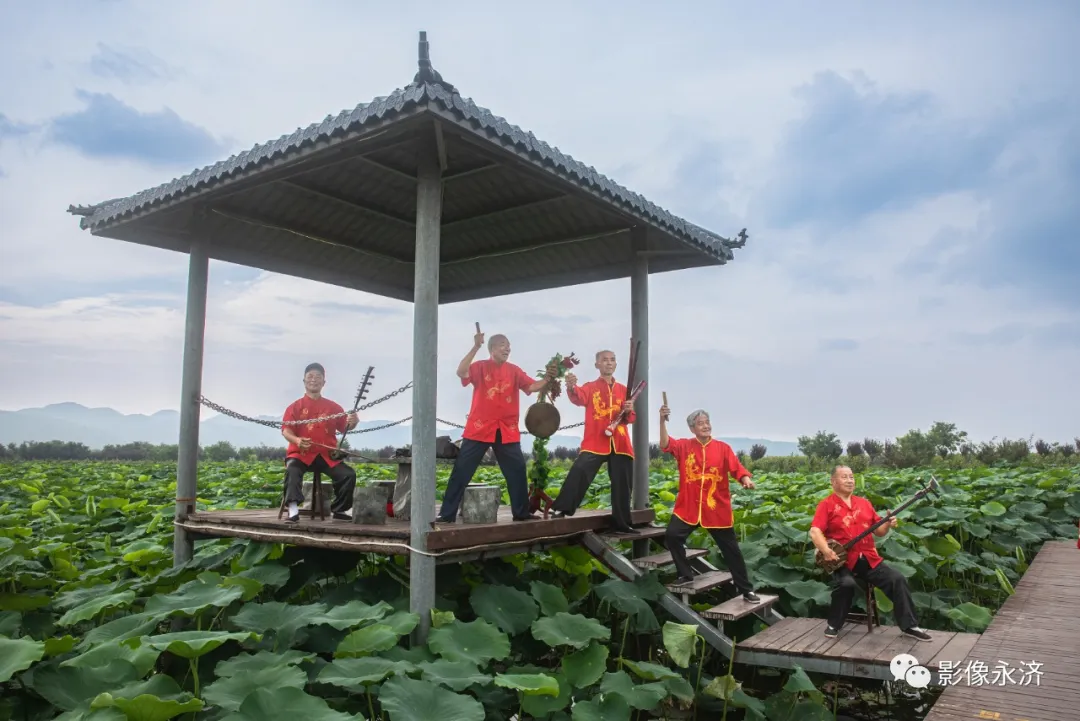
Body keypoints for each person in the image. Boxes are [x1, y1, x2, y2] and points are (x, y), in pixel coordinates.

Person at [436, 327, 555, 523]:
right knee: (462, 470)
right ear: (491, 349)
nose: (507, 350)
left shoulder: (514, 370)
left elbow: (532, 386)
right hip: (479, 428)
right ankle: (446, 514)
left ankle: (521, 513)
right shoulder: (480, 366)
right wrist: (475, 346)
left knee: (517, 470)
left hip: (507, 429)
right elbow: (461, 371)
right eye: (503, 346)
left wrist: (548, 378)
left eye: (509, 347)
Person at [809, 465, 932, 640]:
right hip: (841, 559)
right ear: (833, 481)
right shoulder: (826, 505)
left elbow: (878, 531)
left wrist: (887, 523)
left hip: (868, 558)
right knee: (846, 584)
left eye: (851, 477)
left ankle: (910, 626)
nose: (850, 480)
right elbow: (815, 531)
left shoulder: (864, 503)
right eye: (844, 477)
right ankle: (833, 624)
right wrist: (826, 551)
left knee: (897, 579)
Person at [659, 402, 760, 603]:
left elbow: (737, 468)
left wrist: (745, 479)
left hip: (715, 508)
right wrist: (662, 420)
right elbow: (664, 444)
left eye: (707, 422)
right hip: (688, 507)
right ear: (692, 429)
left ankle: (746, 589)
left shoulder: (723, 448)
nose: (705, 426)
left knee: (731, 550)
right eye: (700, 423)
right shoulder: (684, 446)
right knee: (672, 536)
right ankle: (685, 575)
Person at [550, 349, 637, 533]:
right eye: (604, 360)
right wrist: (572, 387)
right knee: (580, 470)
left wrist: (629, 409)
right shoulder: (591, 387)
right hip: (596, 440)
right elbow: (578, 397)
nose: (609, 363)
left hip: (620, 442)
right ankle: (562, 508)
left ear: (616, 364)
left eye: (612, 360)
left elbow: (630, 419)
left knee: (623, 482)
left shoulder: (624, 390)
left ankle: (622, 523)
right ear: (597, 364)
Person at [280, 362, 359, 523]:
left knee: (348, 474)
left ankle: (340, 509)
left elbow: (345, 427)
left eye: (318, 377)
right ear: (304, 381)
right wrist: (297, 440)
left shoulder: (334, 407)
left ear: (324, 382)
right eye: (310, 376)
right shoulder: (294, 407)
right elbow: (286, 430)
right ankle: (293, 510)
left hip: (326, 455)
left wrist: (354, 421)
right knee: (292, 469)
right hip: (300, 454)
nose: (313, 380)